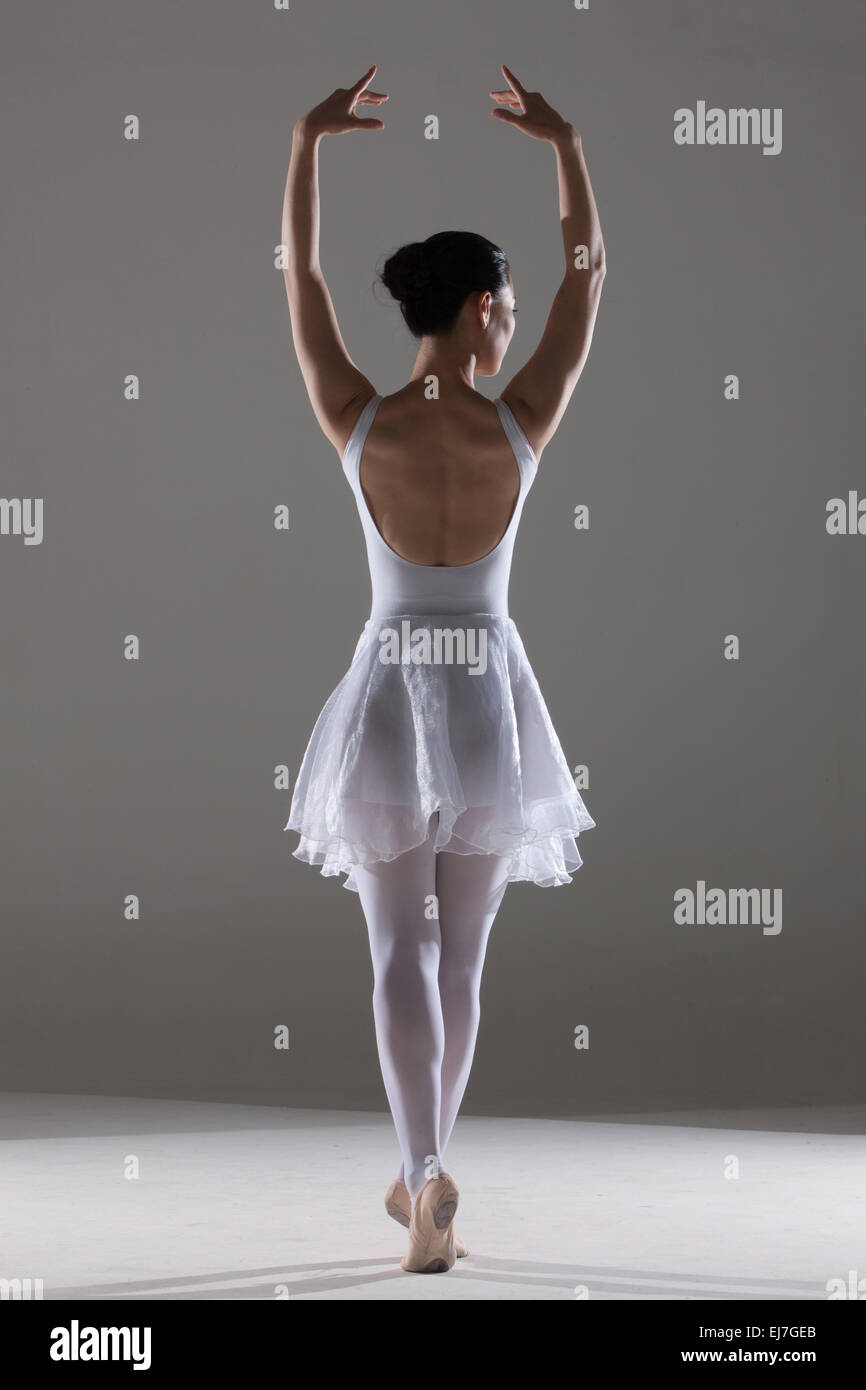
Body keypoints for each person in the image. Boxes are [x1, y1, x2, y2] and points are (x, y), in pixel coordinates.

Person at [280, 63, 605, 1273]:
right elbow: (589, 274)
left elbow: (304, 279)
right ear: (478, 308)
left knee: (394, 952)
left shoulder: (357, 416)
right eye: (503, 306)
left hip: (383, 694)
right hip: (485, 700)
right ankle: (423, 1178)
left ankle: (421, 1173)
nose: (512, 321)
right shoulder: (520, 420)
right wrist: (564, 143)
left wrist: (305, 144)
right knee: (459, 956)